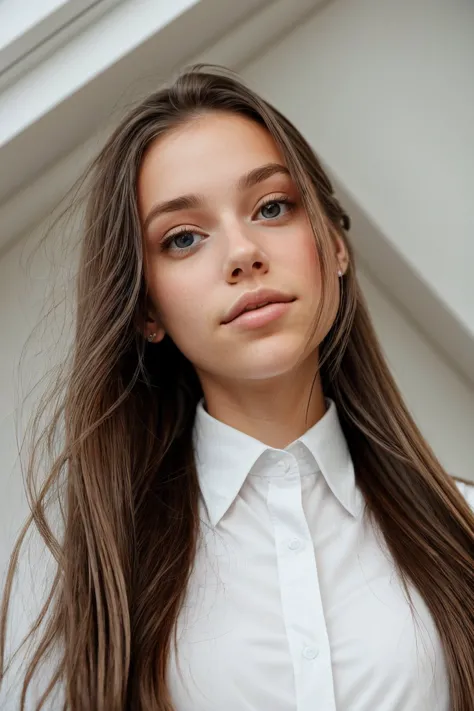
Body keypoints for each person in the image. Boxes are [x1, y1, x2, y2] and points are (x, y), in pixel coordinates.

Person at [1, 65, 473, 711]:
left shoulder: (464, 522)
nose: (243, 253)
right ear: (146, 308)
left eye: (272, 206)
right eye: (183, 238)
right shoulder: (86, 579)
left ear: (335, 244)